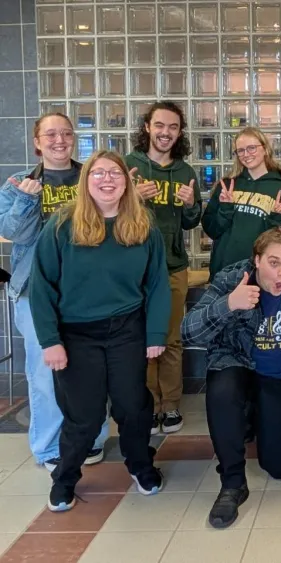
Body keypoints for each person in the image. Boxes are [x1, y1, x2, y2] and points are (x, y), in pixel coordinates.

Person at [29, 150, 171, 511]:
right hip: (76, 335)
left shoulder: (143, 226)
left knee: (133, 406)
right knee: (84, 416)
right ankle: (65, 478)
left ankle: (141, 467)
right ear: (86, 180)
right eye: (98, 173)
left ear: (127, 181)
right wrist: (50, 341)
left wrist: (155, 335)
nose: (107, 179)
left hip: (127, 330)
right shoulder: (62, 225)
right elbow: (42, 287)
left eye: (115, 173)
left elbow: (157, 284)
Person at [181, 227, 281, 529]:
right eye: (274, 262)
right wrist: (229, 304)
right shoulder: (232, 278)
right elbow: (187, 331)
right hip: (236, 363)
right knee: (223, 394)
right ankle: (233, 482)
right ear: (257, 260)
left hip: (280, 375)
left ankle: (257, 420)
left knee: (280, 467)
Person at [0, 113, 109, 471]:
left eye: (66, 133)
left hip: (86, 291)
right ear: (37, 141)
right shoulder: (18, 183)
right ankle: (49, 447)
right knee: (45, 372)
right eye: (50, 134)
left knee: (90, 369)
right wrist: (28, 201)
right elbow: (12, 232)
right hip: (36, 292)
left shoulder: (92, 177)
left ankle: (92, 438)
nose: (59, 140)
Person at [125, 101, 203, 436]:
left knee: (170, 339)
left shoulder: (185, 171)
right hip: (133, 269)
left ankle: (170, 406)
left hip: (172, 266)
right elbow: (106, 209)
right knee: (140, 338)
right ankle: (148, 404)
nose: (165, 133)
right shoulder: (129, 166)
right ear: (147, 127)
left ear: (180, 132)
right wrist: (131, 195)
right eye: (160, 125)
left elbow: (191, 221)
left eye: (173, 127)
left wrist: (190, 205)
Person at [202, 127, 281, 279]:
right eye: (241, 150)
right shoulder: (227, 185)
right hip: (224, 270)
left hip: (260, 272)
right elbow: (211, 230)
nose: (246, 154)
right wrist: (225, 208)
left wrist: (277, 219)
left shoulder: (280, 188)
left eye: (251, 148)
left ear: (265, 149)